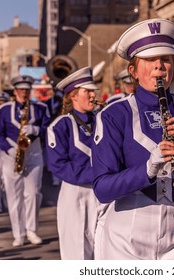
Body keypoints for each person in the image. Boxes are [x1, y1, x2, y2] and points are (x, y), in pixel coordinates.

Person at [91, 18, 174, 260]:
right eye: (150, 60)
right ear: (133, 70)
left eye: (166, 59)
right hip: (127, 237)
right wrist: (148, 169)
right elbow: (102, 189)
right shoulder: (114, 115)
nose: (159, 67)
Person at [46, 67, 101, 260]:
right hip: (76, 190)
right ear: (73, 96)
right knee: (76, 250)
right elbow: (58, 164)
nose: (93, 95)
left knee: (103, 247)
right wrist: (97, 174)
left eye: (93, 91)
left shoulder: (103, 121)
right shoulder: (60, 125)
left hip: (103, 190)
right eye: (88, 91)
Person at [0, 75, 51, 247]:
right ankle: (18, 233)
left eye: (27, 90)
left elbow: (49, 128)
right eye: (21, 90)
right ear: (15, 91)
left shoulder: (40, 108)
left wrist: (36, 129)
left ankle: (32, 230)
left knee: (33, 193)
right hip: (12, 155)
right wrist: (8, 148)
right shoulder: (3, 109)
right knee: (13, 196)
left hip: (33, 153)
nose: (24, 93)